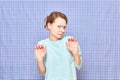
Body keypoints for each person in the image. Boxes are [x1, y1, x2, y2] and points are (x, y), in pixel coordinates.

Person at [34, 11, 82, 80]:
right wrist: (39, 60)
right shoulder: (42, 45)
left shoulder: (70, 42)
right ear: (49, 25)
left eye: (64, 27)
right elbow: (42, 73)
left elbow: (78, 66)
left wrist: (76, 53)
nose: (62, 30)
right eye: (59, 26)